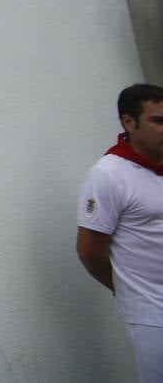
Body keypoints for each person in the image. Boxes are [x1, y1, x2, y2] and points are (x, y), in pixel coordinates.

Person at [77, 83, 163, 382]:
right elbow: (89, 251)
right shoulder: (108, 175)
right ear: (129, 122)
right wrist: (128, 288)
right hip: (152, 313)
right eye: (158, 121)